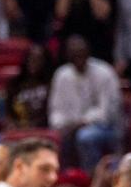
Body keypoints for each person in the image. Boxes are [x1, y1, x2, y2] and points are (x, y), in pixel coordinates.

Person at [48, 36, 121, 172]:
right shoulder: (61, 75)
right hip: (71, 127)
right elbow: (56, 111)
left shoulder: (104, 72)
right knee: (56, 137)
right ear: (67, 56)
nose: (78, 57)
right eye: (74, 54)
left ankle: (92, 180)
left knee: (85, 137)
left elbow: (105, 114)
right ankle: (68, 180)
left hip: (106, 128)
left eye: (81, 53)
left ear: (88, 52)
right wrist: (62, 126)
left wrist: (81, 123)